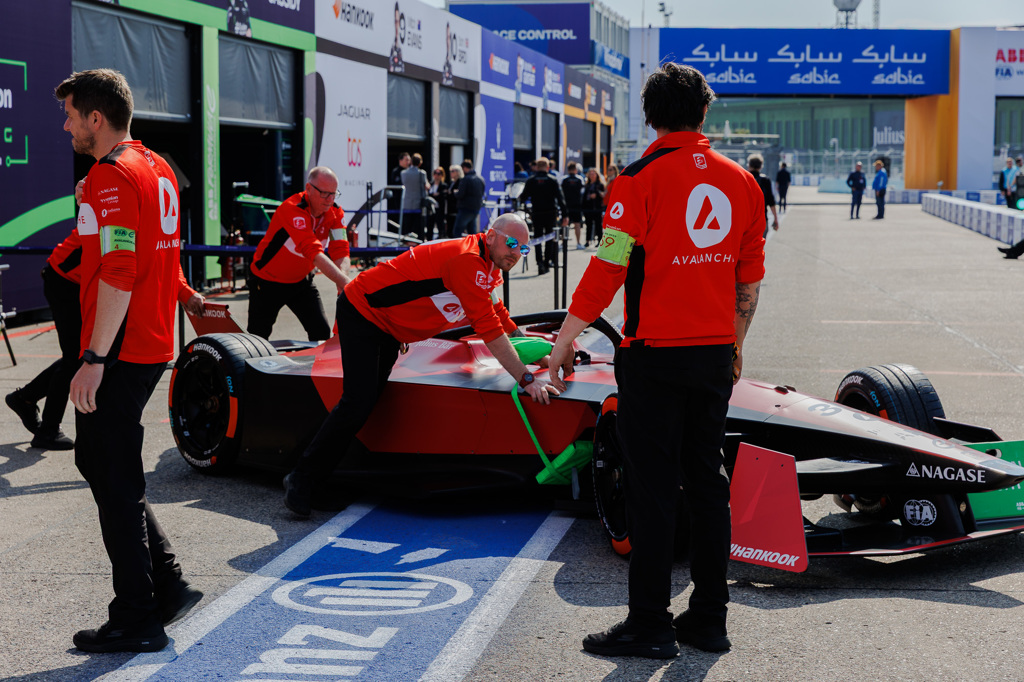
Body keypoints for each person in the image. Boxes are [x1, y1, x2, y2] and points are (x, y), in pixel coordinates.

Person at [548, 62, 765, 660]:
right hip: (715, 355)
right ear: (704, 111)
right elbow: (750, 278)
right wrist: (736, 344)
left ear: (649, 116)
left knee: (650, 489)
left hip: (652, 356)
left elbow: (608, 267)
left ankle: (648, 624)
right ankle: (709, 620)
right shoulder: (744, 182)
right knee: (706, 482)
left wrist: (565, 338)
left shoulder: (636, 178)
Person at [55, 68, 203, 654]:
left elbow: (120, 268)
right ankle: (165, 585)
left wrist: (93, 356)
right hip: (147, 341)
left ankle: (139, 615)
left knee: (112, 475)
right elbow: (162, 248)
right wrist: (187, 295)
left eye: (70, 115)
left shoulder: (110, 175)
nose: (65, 126)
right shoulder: (156, 165)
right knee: (102, 462)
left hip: (121, 346)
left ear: (96, 118)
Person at [282, 213, 559, 516]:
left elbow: (500, 315)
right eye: (511, 244)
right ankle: (301, 479)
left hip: (388, 327)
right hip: (363, 312)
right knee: (356, 403)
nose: (516, 253)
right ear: (490, 236)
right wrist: (527, 379)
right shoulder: (468, 260)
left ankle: (317, 477)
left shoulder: (489, 265)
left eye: (524, 248)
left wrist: (542, 356)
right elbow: (489, 329)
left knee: (367, 402)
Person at [6, 224, 205, 450]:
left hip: (86, 280)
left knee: (79, 356)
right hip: (65, 282)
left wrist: (186, 293)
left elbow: (164, 254)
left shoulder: (148, 205)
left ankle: (25, 399)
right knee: (76, 358)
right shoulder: (118, 202)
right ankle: (47, 430)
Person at [247, 167, 352, 341]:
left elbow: (341, 250)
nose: (330, 200)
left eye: (334, 194)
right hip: (267, 282)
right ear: (309, 189)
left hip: (301, 281)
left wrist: (343, 281)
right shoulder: (292, 209)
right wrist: (345, 282)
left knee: (321, 331)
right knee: (257, 339)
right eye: (325, 193)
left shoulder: (335, 212)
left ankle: (317, 368)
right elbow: (313, 252)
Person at [519, 157, 568, 275]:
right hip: (550, 213)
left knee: (537, 238)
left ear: (536, 167)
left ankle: (539, 262)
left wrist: (526, 209)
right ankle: (547, 262)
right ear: (548, 167)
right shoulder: (552, 180)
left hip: (536, 213)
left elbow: (523, 197)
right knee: (550, 237)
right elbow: (561, 199)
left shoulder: (531, 180)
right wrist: (565, 215)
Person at [747, 153, 779, 236]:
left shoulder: (745, 178)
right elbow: (771, 201)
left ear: (749, 165)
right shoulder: (765, 180)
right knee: (760, 246)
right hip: (761, 219)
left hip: (746, 220)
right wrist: (775, 218)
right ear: (761, 166)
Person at [400, 153, 429, 240]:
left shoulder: (403, 173)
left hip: (407, 203)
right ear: (420, 163)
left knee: (407, 227)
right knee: (418, 228)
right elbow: (426, 186)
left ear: (411, 162)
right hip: (418, 203)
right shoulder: (422, 173)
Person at [453, 159, 485, 236]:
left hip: (465, 209)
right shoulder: (481, 179)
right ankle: (474, 248)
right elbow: (482, 193)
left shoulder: (466, 179)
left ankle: (458, 248)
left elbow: (460, 194)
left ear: (464, 168)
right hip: (476, 209)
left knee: (457, 232)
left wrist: (455, 192)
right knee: (472, 233)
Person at [561, 162, 586, 249]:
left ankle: (562, 243)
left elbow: (561, 193)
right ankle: (578, 243)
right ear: (575, 170)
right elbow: (583, 192)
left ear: (568, 170)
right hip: (577, 206)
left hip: (566, 206)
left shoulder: (564, 179)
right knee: (577, 224)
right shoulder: (580, 179)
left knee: (565, 224)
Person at [582, 168, 605, 248]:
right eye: (590, 174)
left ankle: (599, 241)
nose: (592, 175)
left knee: (598, 226)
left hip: (597, 208)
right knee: (588, 225)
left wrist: (597, 195)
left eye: (593, 173)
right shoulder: (587, 185)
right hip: (588, 208)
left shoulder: (600, 185)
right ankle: (587, 241)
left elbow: (603, 195)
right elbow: (584, 196)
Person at [428, 166, 451, 240]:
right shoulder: (430, 184)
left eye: (439, 173)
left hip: (440, 209)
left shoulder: (444, 185)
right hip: (431, 209)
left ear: (442, 175)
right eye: (435, 173)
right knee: (429, 226)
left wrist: (438, 194)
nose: (437, 175)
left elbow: (444, 195)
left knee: (440, 226)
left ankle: (440, 241)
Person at [447, 164, 463, 238]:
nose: (451, 173)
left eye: (453, 171)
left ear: (458, 172)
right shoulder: (451, 182)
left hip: (456, 208)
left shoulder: (461, 182)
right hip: (449, 208)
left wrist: (452, 193)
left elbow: (458, 193)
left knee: (455, 228)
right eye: (450, 171)